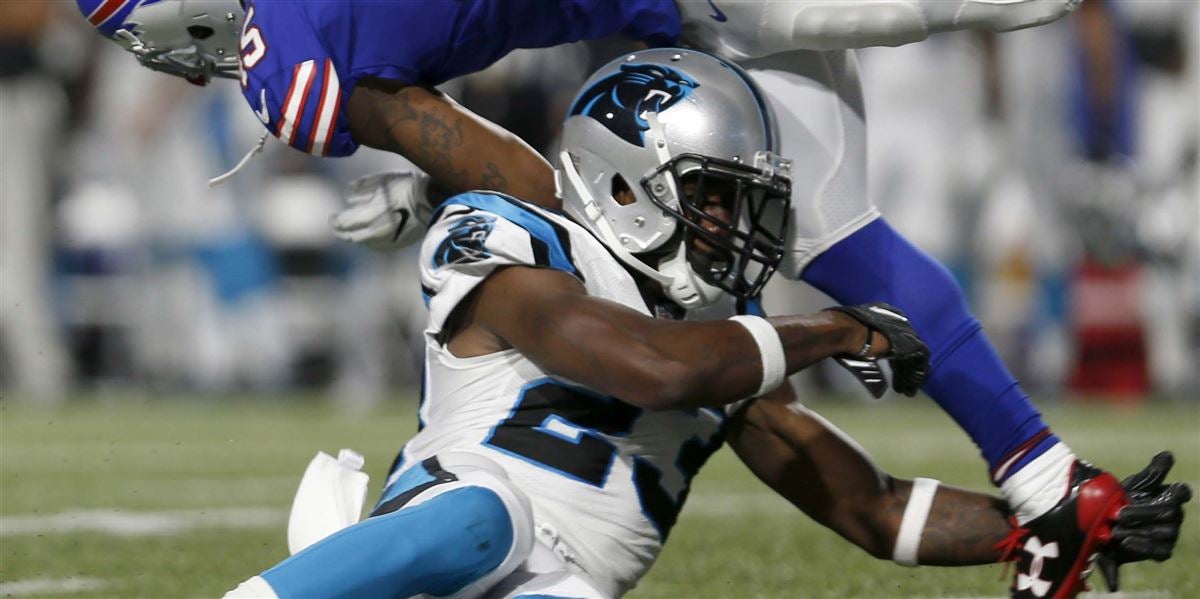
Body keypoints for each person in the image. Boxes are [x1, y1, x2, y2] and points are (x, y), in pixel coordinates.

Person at [76, 1, 1188, 595]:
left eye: (741, 207)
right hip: (465, 532)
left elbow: (864, 504)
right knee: (482, 518)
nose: (743, 233)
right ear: (626, 183)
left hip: (563, 579)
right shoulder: (523, 253)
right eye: (713, 204)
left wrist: (1029, 524)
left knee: (845, 227)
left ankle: (1044, 467)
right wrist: (838, 330)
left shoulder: (716, 330)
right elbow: (654, 365)